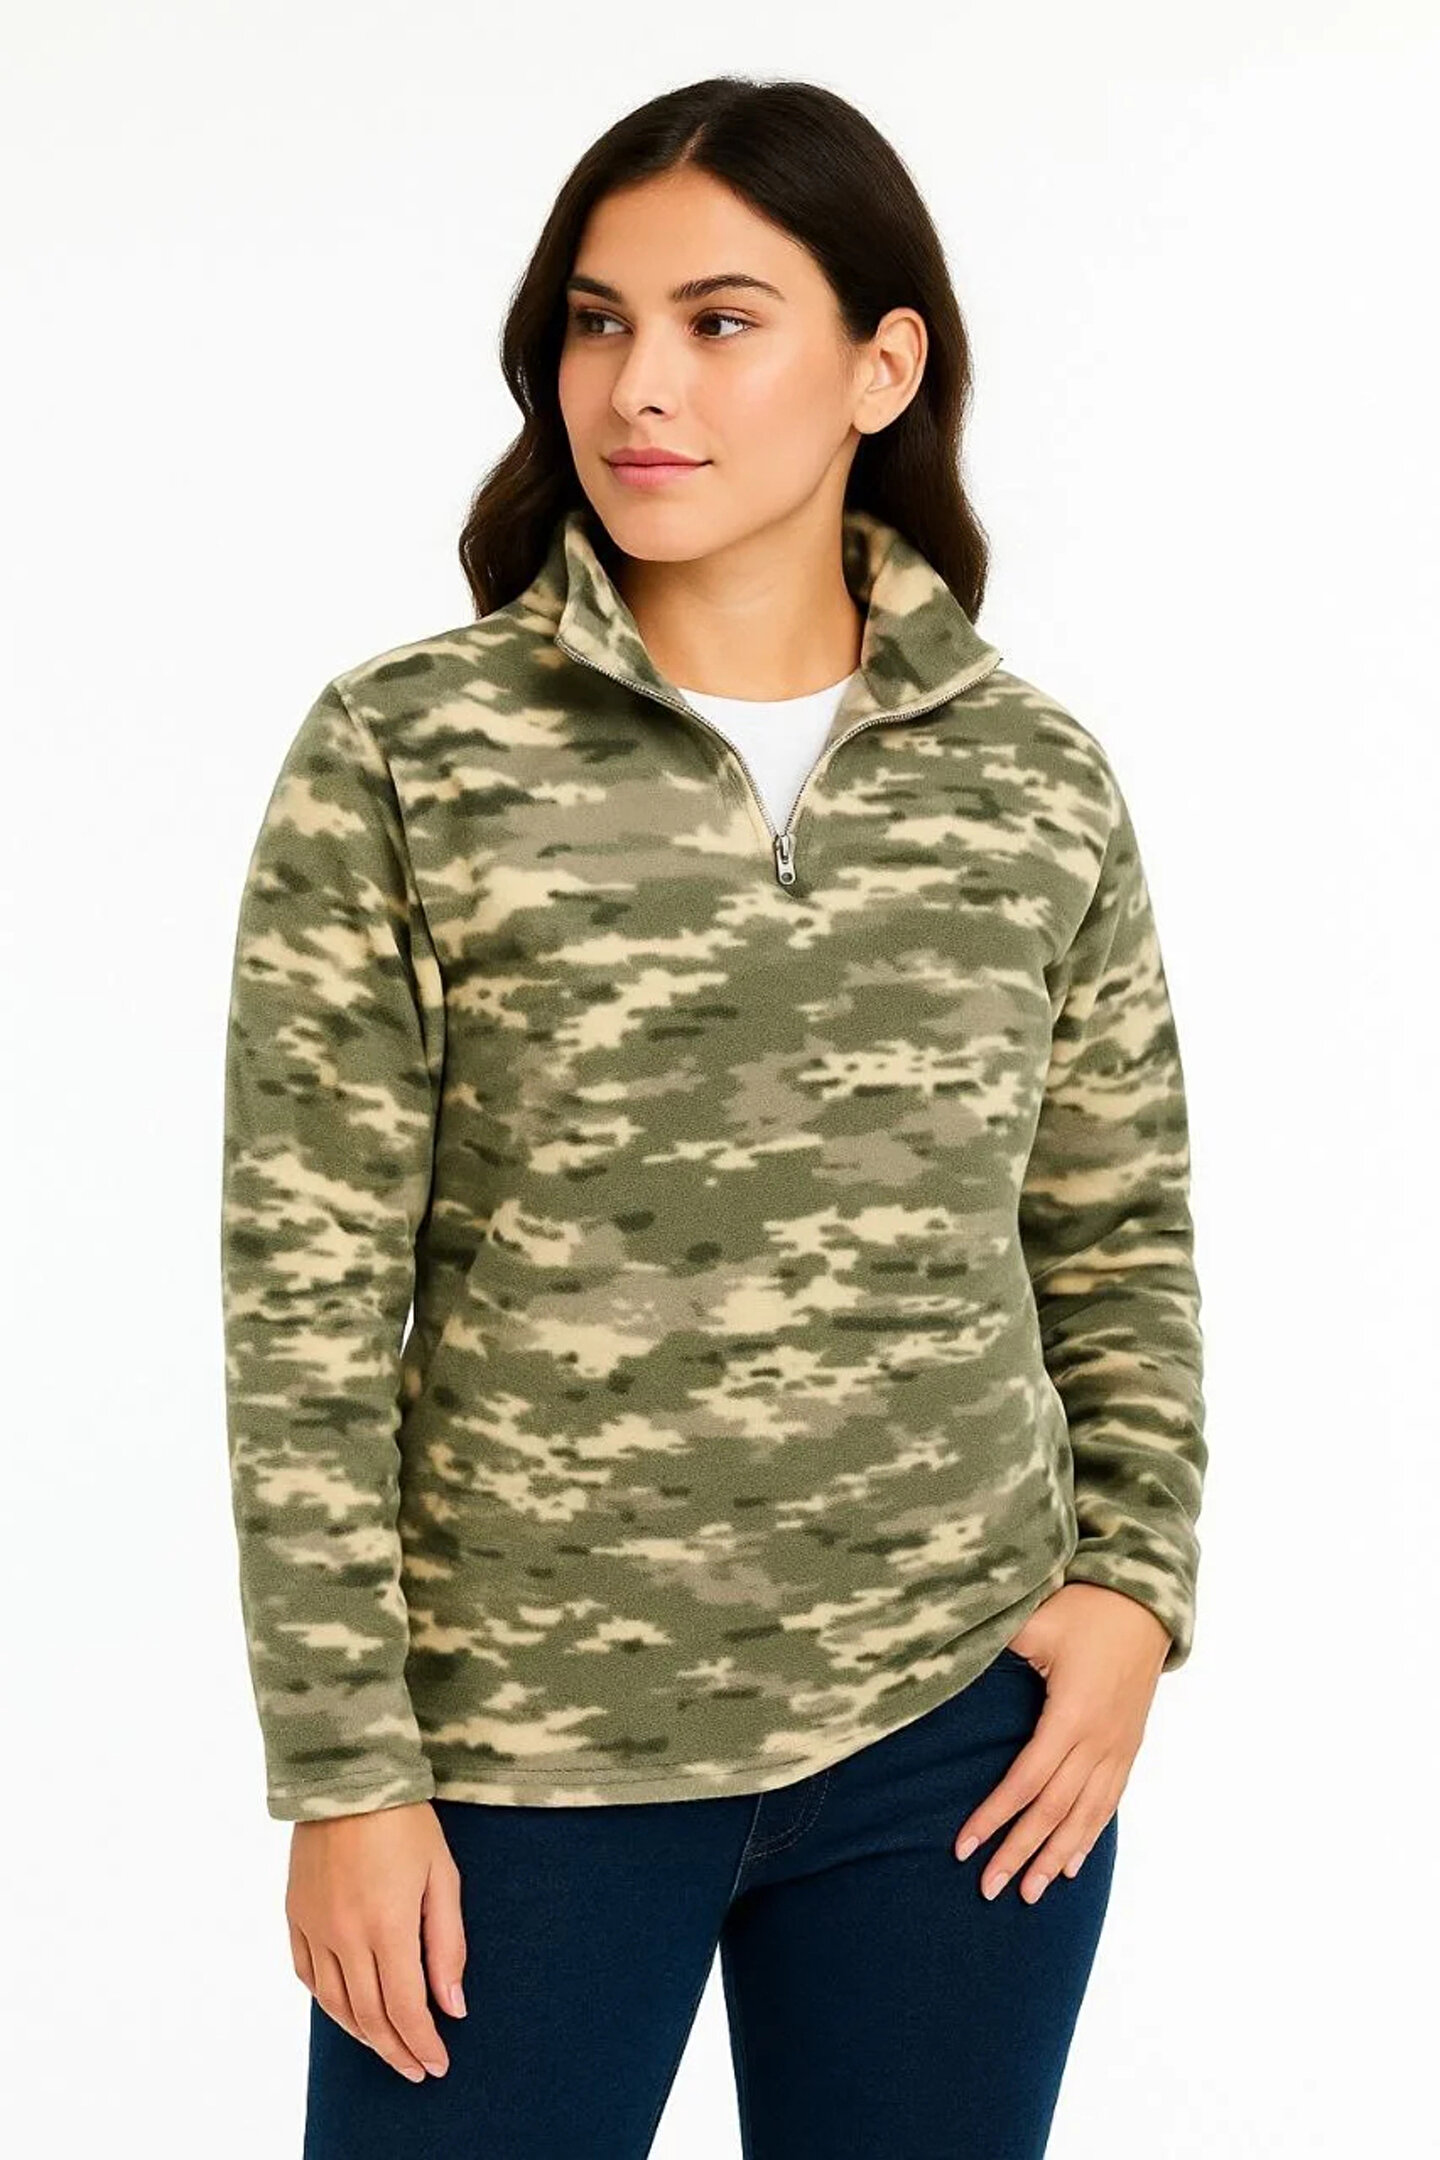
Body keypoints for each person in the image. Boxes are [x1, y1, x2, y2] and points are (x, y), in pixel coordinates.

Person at [219, 75, 1207, 2160]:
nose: (637, 385)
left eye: (719, 322)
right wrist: (346, 1772)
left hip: (958, 1746)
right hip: (518, 1762)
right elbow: (306, 1310)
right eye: (597, 323)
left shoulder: (1032, 778)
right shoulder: (408, 752)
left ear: (883, 366)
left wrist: (1132, 1595)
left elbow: (1114, 1238)